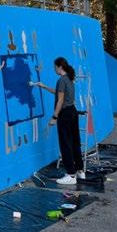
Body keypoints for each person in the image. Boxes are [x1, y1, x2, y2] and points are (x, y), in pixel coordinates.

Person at [35, 57, 84, 185]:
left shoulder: (61, 80)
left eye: (55, 67)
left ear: (59, 67)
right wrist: (44, 86)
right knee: (75, 142)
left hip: (65, 114)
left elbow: (60, 100)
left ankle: (71, 175)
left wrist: (54, 117)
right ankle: (80, 171)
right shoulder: (69, 78)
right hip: (73, 112)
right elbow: (59, 94)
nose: (54, 69)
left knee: (65, 144)